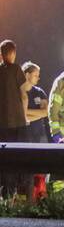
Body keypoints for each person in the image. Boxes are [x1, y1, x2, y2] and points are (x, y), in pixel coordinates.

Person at [0, 40, 33, 198]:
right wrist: (25, 115)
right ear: (12, 53)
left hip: (1, 125)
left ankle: (5, 193)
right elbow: (24, 93)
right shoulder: (16, 69)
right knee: (19, 159)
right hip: (17, 123)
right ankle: (19, 195)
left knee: (4, 159)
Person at [22, 62, 50, 199]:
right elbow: (21, 115)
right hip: (25, 136)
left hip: (40, 136)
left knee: (42, 169)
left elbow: (45, 112)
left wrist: (27, 114)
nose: (38, 78)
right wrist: (28, 115)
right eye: (35, 75)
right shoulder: (19, 91)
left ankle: (41, 196)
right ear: (27, 75)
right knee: (27, 170)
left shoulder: (40, 92)